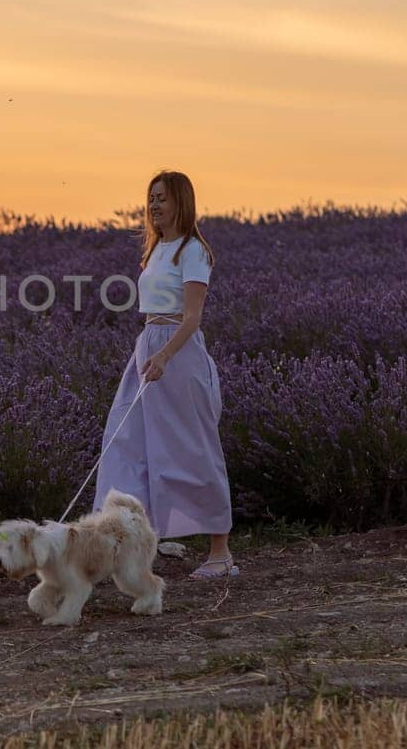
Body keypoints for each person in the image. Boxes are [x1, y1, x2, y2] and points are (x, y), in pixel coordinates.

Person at [93, 169, 237, 580]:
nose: (154, 205)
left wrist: (165, 356)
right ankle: (123, 546)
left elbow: (192, 318)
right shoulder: (156, 249)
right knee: (125, 444)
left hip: (178, 354)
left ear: (181, 202)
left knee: (192, 450)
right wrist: (150, 353)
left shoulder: (193, 251)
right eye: (151, 197)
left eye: (162, 198)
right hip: (147, 349)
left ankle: (221, 553)